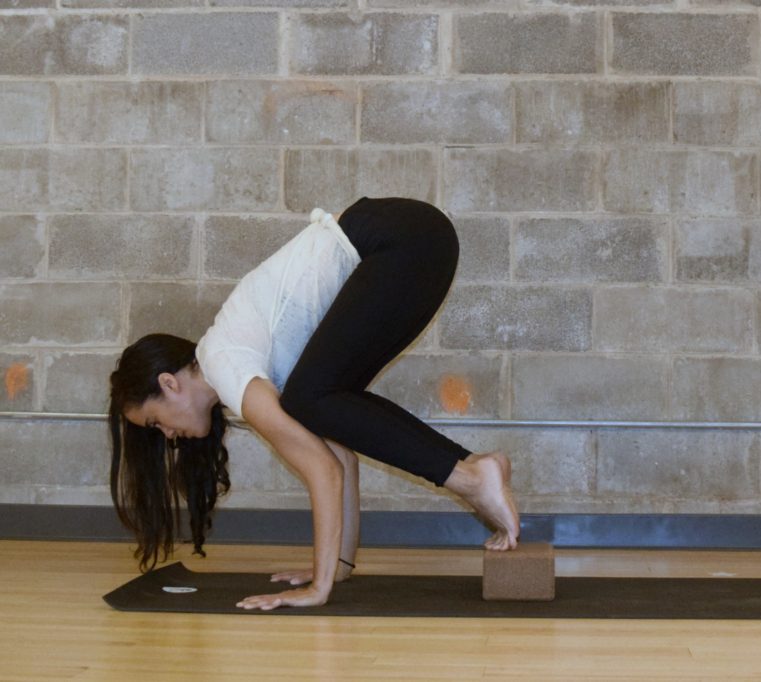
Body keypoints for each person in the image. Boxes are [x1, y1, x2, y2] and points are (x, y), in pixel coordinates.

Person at [107, 196, 521, 611]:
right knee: (320, 400)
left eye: (154, 422)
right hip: (418, 238)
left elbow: (322, 471)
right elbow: (340, 459)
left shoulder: (223, 364)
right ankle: (474, 467)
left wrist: (317, 589)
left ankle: (470, 477)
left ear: (169, 383)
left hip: (398, 239)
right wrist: (337, 566)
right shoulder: (249, 372)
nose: (167, 435)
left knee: (309, 398)